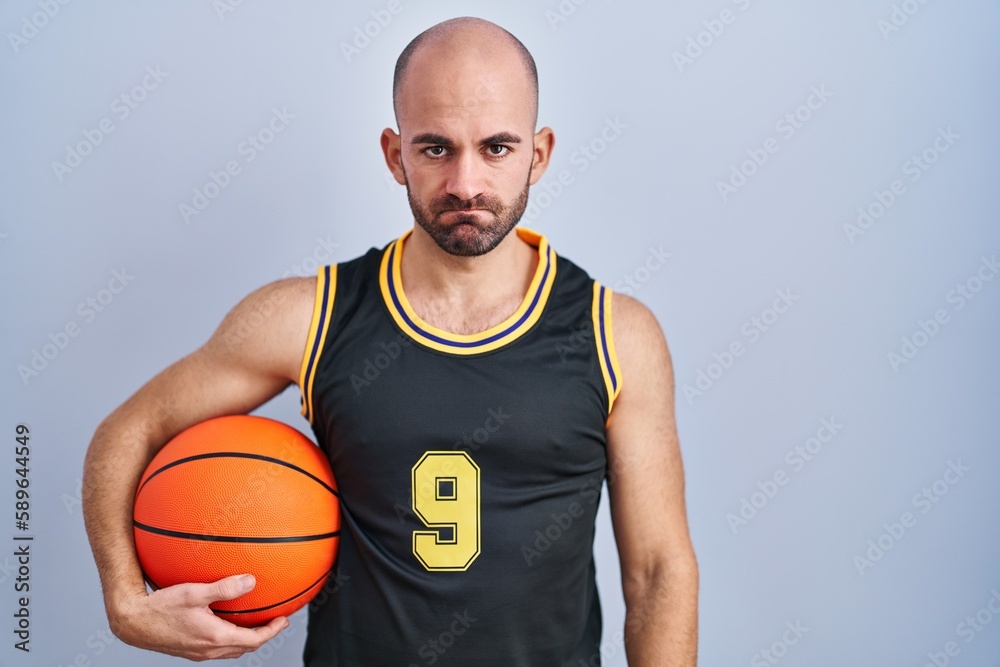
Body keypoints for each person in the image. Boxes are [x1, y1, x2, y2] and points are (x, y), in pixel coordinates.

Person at [82, 16, 698, 666]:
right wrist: (125, 601)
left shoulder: (614, 333)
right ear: (394, 153)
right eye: (436, 148)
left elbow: (658, 572)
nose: (466, 183)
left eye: (496, 148)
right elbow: (130, 428)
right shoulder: (312, 317)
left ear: (538, 154)